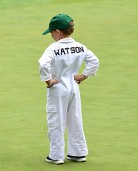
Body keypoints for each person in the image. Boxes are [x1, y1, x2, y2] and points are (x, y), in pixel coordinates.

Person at [38, 14, 99, 164]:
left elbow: (43, 64)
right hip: (73, 87)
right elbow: (94, 61)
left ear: (58, 32)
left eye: (51, 32)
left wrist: (48, 80)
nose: (51, 35)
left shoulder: (53, 48)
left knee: (56, 120)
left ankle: (56, 155)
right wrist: (83, 75)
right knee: (75, 119)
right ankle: (77, 152)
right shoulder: (80, 46)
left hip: (57, 87)